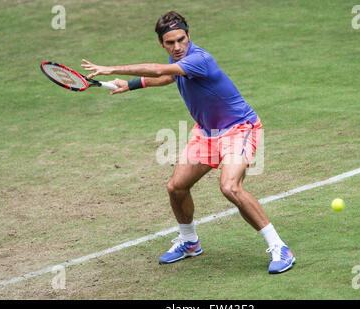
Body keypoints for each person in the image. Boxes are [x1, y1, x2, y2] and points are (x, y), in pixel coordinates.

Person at [81, 11, 295, 274]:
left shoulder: (200, 58)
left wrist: (113, 69)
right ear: (162, 43)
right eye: (170, 43)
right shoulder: (178, 59)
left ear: (189, 35)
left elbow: (162, 69)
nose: (177, 47)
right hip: (206, 132)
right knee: (176, 187)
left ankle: (279, 247)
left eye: (181, 40)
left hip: (239, 128)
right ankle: (189, 241)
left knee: (230, 187)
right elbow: (170, 76)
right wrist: (133, 84)